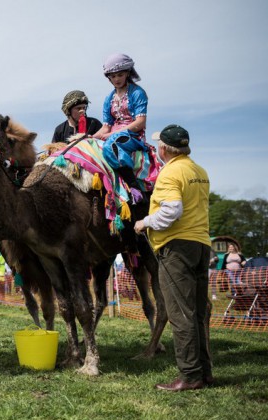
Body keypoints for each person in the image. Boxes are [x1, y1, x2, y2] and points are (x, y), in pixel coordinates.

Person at [134, 124, 213, 391]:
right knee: (198, 312)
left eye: (159, 145)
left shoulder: (170, 173)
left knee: (181, 314)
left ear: (165, 149)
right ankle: (205, 372)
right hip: (201, 244)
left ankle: (190, 376)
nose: (157, 148)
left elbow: (172, 211)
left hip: (176, 248)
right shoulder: (198, 171)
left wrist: (145, 222)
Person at [94, 53, 149, 202]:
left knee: (111, 145)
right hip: (112, 135)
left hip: (133, 136)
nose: (116, 79)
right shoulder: (108, 98)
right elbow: (106, 128)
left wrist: (114, 133)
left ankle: (134, 186)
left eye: (120, 75)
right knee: (89, 145)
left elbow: (140, 123)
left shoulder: (137, 93)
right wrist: (89, 138)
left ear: (128, 73)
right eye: (112, 76)